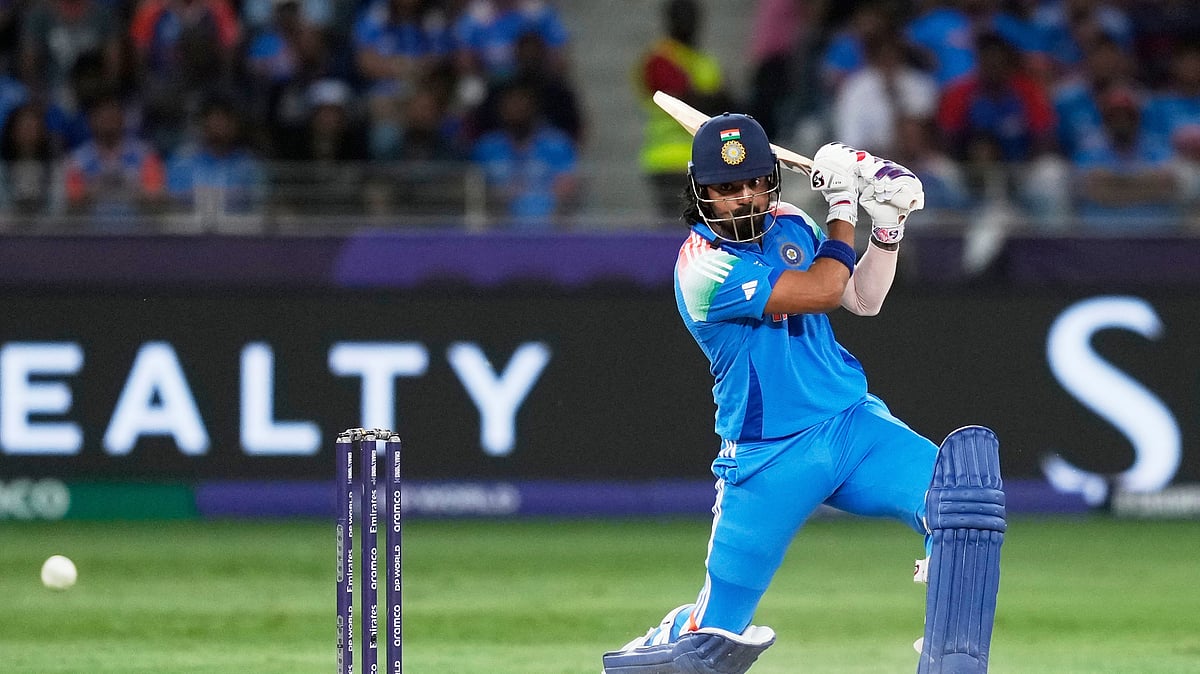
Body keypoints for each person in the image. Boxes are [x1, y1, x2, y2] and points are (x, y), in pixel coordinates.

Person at [601, 114, 1006, 673]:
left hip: (853, 426)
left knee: (963, 506)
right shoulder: (702, 268)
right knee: (712, 642)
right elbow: (820, 290)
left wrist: (886, 226)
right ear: (700, 194)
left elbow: (862, 299)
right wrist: (844, 208)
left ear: (772, 180)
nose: (743, 199)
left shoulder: (790, 222)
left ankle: (952, 663)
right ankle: (662, 644)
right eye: (726, 190)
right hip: (769, 455)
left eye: (754, 183)